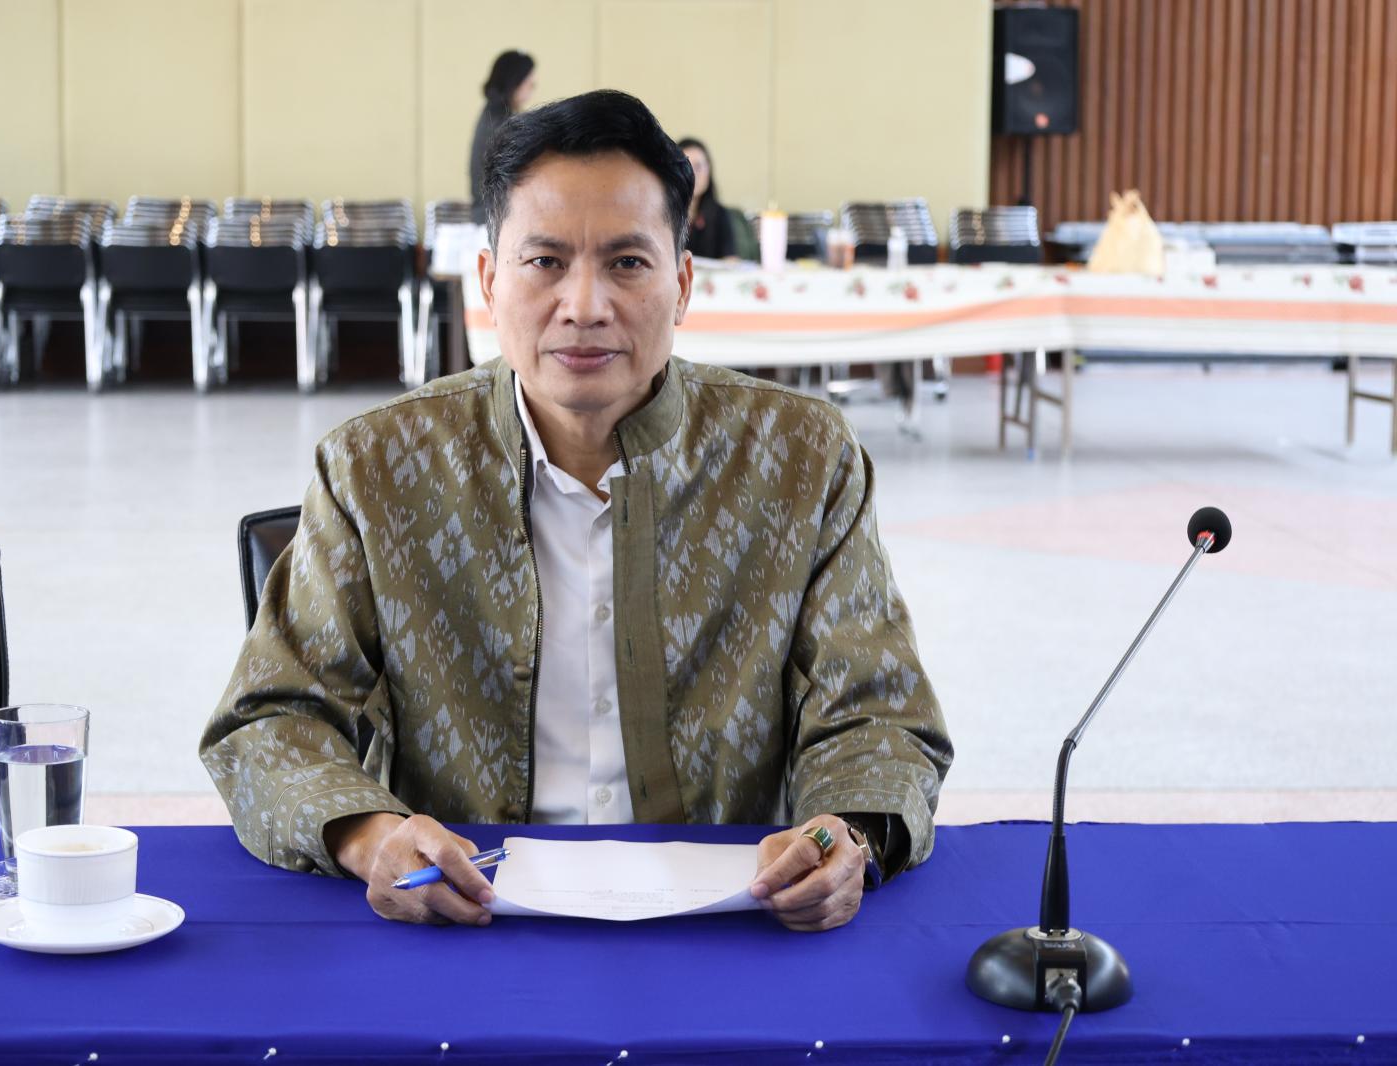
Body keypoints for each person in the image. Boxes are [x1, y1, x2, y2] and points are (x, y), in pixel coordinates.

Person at [200, 90, 952, 934]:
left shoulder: (802, 457)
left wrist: (840, 833)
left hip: (727, 926)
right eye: (545, 261)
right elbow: (271, 720)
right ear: (489, 282)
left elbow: (879, 714)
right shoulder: (375, 467)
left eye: (627, 262)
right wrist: (372, 837)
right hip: (463, 919)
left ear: (683, 284)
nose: (585, 305)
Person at [469, 50, 536, 223]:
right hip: (494, 217)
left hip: (489, 213)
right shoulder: (501, 124)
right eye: (529, 83)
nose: (533, 87)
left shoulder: (492, 114)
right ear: (515, 83)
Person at [678, 136, 737, 260]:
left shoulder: (720, 214)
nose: (693, 174)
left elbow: (731, 261)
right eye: (686, 166)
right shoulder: (664, 212)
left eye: (698, 167)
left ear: (708, 170)